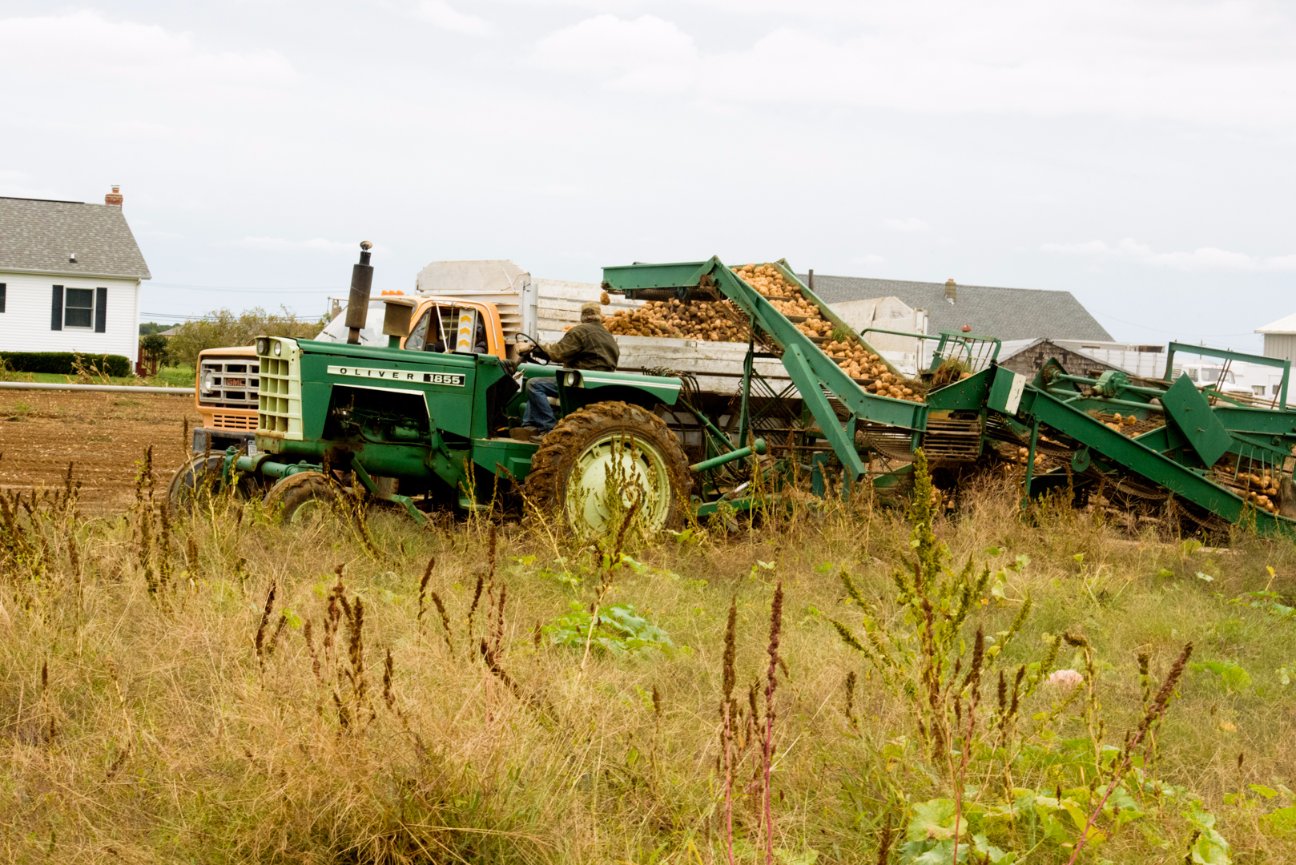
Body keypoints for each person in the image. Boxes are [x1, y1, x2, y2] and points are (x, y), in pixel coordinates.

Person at [519, 301, 619, 437]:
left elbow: (558, 353)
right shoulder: (608, 335)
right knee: (540, 383)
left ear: (582, 316)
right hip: (598, 383)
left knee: (534, 385)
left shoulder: (580, 331)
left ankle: (549, 428)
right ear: (599, 316)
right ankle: (529, 425)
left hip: (579, 383)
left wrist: (533, 348)